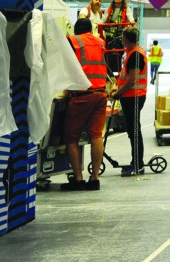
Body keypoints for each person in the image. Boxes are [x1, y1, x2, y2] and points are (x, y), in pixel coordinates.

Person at [61, 17, 109, 191]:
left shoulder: (72, 41)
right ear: (90, 29)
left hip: (82, 96)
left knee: (71, 137)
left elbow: (67, 68)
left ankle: (79, 179)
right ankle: (94, 178)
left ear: (76, 30)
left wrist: (65, 90)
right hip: (100, 94)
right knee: (96, 135)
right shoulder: (101, 42)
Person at [111, 26, 148, 176]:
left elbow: (132, 80)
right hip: (131, 96)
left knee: (134, 131)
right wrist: (117, 88)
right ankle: (136, 162)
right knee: (132, 130)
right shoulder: (132, 53)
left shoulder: (135, 55)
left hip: (134, 96)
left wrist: (118, 93)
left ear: (125, 39)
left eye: (122, 38)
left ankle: (138, 164)